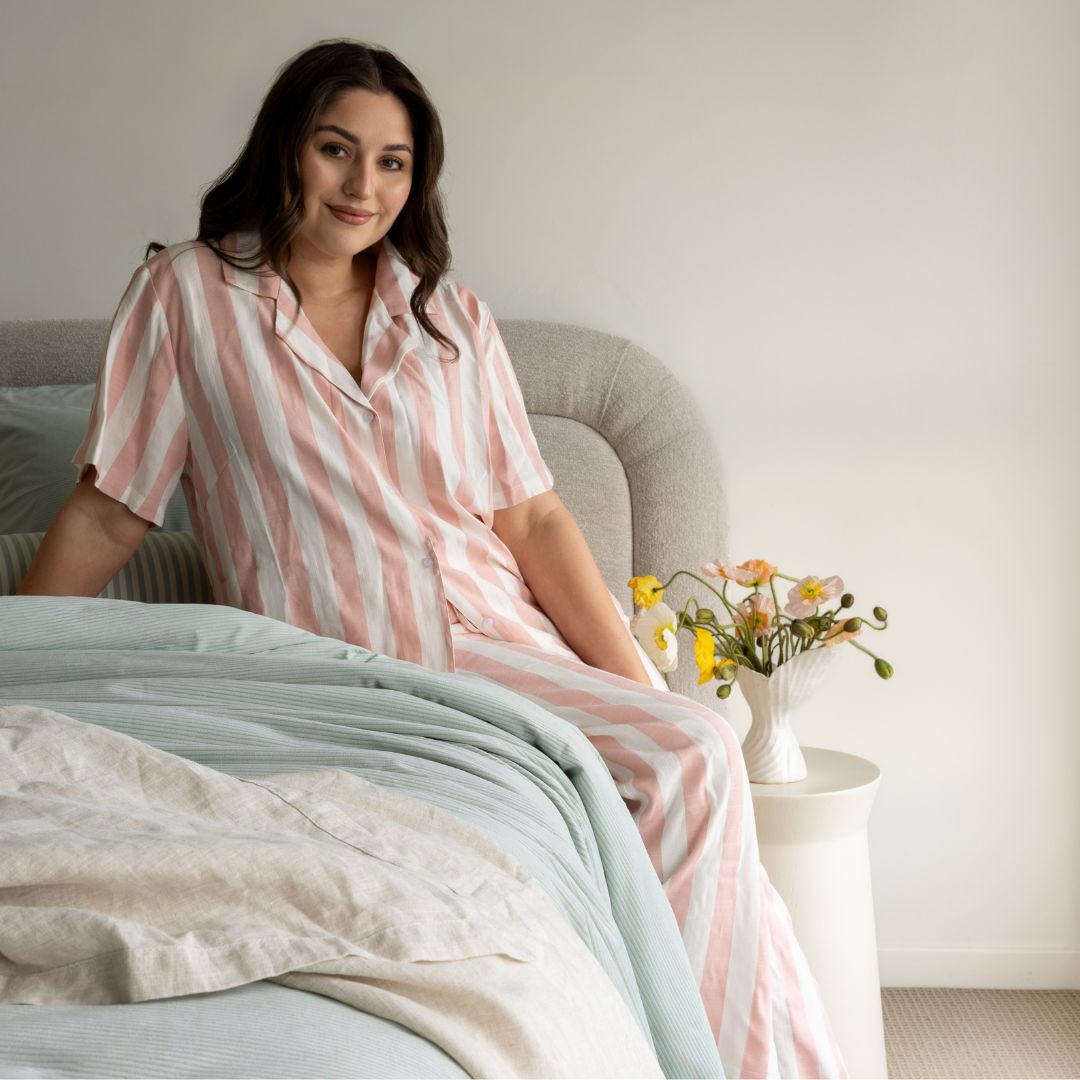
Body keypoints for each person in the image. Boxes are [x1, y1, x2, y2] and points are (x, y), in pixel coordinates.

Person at [16, 39, 846, 1079]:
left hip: (491, 641)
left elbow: (534, 519)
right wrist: (21, 643)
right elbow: (110, 512)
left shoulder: (449, 316)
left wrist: (633, 680)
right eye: (337, 150)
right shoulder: (186, 296)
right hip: (335, 655)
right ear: (286, 151)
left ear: (418, 177)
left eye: (394, 162)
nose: (365, 186)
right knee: (693, 758)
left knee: (691, 750)